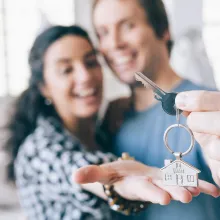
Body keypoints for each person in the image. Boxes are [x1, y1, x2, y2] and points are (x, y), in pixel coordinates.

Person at [4, 25, 206, 220]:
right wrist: (116, 180)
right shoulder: (38, 150)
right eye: (66, 70)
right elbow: (79, 171)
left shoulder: (105, 131)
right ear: (44, 87)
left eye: (91, 62)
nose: (85, 76)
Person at [89, 0, 220, 219]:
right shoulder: (112, 118)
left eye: (127, 26)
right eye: (103, 33)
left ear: (163, 30)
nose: (114, 43)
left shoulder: (206, 108)